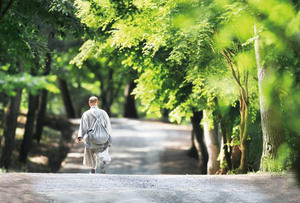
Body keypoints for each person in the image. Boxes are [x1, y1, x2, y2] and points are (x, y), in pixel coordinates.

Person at [76, 96, 112, 174]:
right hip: (102, 138)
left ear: (89, 103)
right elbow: (108, 125)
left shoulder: (86, 114)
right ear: (97, 102)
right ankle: (102, 160)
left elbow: (83, 127)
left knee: (90, 151)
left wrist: (80, 137)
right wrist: (109, 136)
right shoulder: (103, 113)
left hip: (91, 138)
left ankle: (92, 169)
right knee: (103, 149)